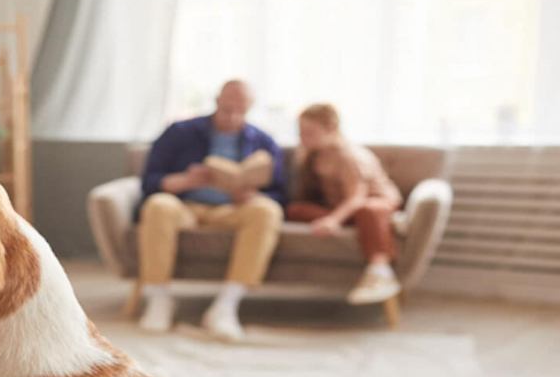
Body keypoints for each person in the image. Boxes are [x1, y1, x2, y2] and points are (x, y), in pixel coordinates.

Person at [136, 79, 285, 340]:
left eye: (240, 109)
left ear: (250, 107)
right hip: (185, 206)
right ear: (217, 101)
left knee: (267, 211)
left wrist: (252, 194)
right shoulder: (180, 131)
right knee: (158, 205)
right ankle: (159, 298)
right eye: (228, 108)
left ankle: (226, 305)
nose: (233, 115)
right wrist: (186, 180)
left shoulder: (263, 141)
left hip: (232, 210)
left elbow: (281, 194)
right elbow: (150, 181)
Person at [287, 103, 403, 304]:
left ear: (331, 130)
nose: (303, 137)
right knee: (295, 210)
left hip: (372, 203)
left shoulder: (350, 156)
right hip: (343, 208)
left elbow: (357, 198)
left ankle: (380, 270)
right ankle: (366, 226)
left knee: (367, 210)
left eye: (309, 132)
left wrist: (333, 220)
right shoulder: (314, 154)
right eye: (300, 132)